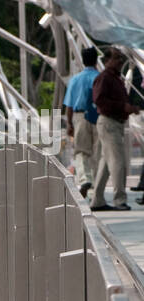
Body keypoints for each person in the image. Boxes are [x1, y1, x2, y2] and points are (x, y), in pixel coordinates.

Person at [91, 48, 143, 210]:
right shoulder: (104, 78)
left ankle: (97, 200)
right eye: (117, 58)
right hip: (109, 122)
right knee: (118, 162)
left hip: (115, 122)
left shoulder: (115, 78)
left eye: (121, 59)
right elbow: (99, 100)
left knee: (106, 163)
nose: (120, 62)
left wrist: (128, 108)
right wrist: (123, 107)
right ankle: (119, 199)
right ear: (107, 60)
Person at [64, 47, 100, 196]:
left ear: (83, 61)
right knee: (98, 152)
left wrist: (69, 123)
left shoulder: (75, 79)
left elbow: (69, 104)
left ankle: (85, 178)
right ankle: (97, 184)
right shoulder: (100, 77)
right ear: (96, 60)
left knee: (81, 151)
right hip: (98, 116)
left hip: (80, 116)